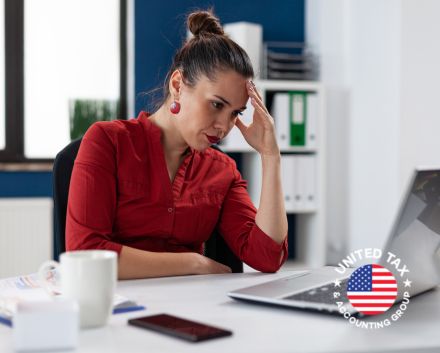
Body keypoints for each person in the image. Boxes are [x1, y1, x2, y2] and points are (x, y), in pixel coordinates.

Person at [66, 9, 288, 279]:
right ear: (178, 84)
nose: (224, 125)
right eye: (217, 104)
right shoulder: (107, 141)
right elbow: (86, 253)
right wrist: (194, 263)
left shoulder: (223, 171)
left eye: (235, 113)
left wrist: (270, 155)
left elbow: (267, 257)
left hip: (189, 310)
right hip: (116, 308)